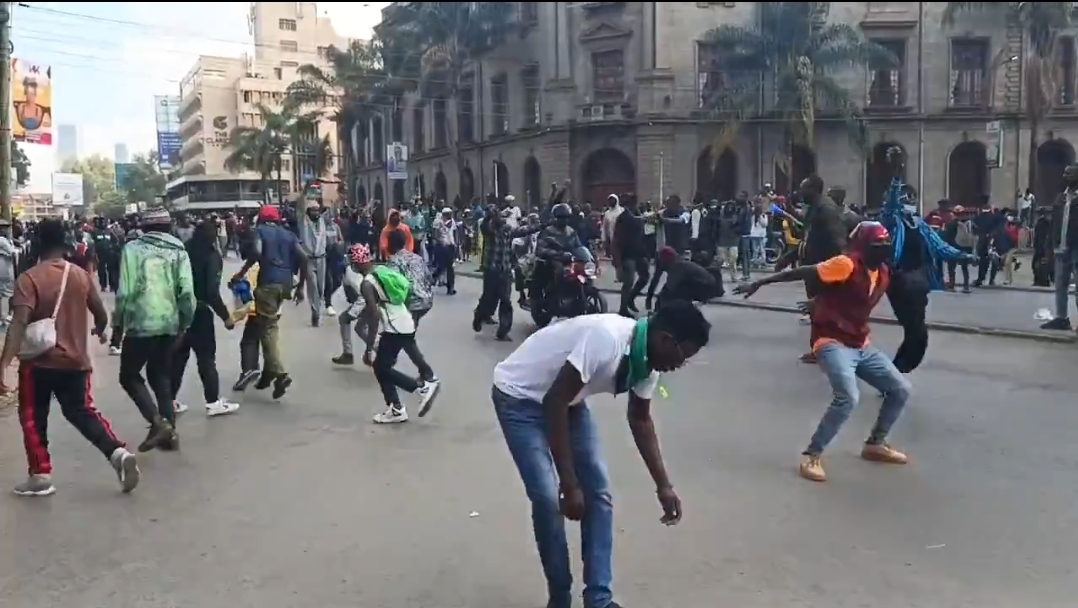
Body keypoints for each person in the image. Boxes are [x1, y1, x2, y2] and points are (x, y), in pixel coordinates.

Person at [491, 301, 710, 608]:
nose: (679, 365)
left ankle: (598, 599)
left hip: (567, 399)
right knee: (546, 497)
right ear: (665, 339)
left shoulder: (645, 361)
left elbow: (640, 419)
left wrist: (664, 485)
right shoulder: (607, 338)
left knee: (599, 494)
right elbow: (554, 401)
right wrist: (568, 484)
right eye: (682, 357)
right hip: (519, 397)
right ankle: (560, 597)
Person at [736, 221, 912, 483]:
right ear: (863, 246)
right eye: (877, 246)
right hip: (831, 341)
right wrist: (761, 282)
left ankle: (875, 443)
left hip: (860, 343)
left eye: (886, 246)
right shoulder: (846, 263)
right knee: (847, 397)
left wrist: (819, 301)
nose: (882, 250)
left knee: (900, 389)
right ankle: (812, 455)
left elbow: (847, 294)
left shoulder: (883, 271)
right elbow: (804, 272)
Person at [1, 218, 139, 496]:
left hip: (37, 364)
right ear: (64, 244)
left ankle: (40, 474)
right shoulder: (80, 275)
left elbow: (18, 324)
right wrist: (98, 331)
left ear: (37, 243)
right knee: (82, 411)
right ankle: (118, 454)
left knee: (32, 416)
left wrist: (4, 363)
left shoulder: (29, 279)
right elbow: (101, 315)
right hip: (76, 362)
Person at [878, 146, 969, 374]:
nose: (909, 202)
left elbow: (940, 247)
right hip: (900, 282)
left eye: (912, 198)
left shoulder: (920, 224)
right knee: (917, 331)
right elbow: (890, 204)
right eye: (905, 198)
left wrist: (966, 255)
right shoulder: (891, 220)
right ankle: (893, 373)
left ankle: (894, 372)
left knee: (916, 332)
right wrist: (897, 175)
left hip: (920, 283)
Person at [116, 208, 197, 452]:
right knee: (160, 374)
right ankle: (170, 434)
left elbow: (125, 293)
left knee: (129, 375)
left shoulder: (131, 249)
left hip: (141, 323)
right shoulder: (179, 250)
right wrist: (185, 323)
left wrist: (117, 325)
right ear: (168, 227)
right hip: (169, 322)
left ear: (144, 227)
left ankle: (157, 422)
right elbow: (187, 293)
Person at [349, 244, 440, 424]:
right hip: (404, 320)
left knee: (381, 367)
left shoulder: (367, 283)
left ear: (355, 264)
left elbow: (373, 316)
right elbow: (404, 289)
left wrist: (369, 347)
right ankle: (396, 408)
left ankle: (421, 388)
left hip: (395, 328)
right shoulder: (382, 270)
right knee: (381, 368)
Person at [230, 205, 307, 399]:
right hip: (286, 285)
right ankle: (267, 374)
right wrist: (300, 287)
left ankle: (280, 374)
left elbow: (256, 252)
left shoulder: (260, 232)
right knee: (267, 326)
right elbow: (304, 257)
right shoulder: (288, 234)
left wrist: (241, 272)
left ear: (262, 219)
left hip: (268, 284)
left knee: (267, 330)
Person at [170, 219, 240, 418]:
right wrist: (226, 316)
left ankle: (169, 400)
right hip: (200, 313)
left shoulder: (182, 253)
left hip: (179, 312)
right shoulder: (211, 256)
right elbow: (211, 292)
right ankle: (213, 402)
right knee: (206, 358)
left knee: (178, 358)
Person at [1040, 164, 1078, 331]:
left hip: (1076, 248)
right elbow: (1053, 224)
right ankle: (1062, 318)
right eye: (1065, 172)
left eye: (1070, 173)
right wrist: (1049, 247)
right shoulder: (1060, 198)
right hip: (1060, 248)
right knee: (1060, 284)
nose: (1065, 176)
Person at [299, 201, 340, 327]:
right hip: (309, 259)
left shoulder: (322, 222)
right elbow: (300, 209)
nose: (315, 212)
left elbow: (331, 212)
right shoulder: (304, 223)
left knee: (321, 288)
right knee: (313, 287)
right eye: (313, 210)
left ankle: (318, 309)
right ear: (308, 211)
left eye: (317, 210)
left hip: (322, 259)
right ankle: (315, 314)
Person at [645, 245, 718, 310]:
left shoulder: (678, 268)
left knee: (674, 293)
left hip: (707, 287)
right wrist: (649, 297)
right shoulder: (673, 262)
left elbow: (670, 289)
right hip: (702, 282)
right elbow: (656, 278)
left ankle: (685, 311)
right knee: (669, 293)